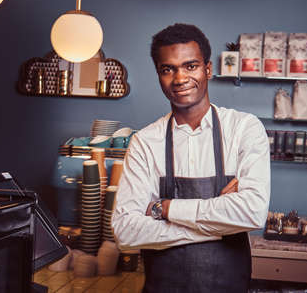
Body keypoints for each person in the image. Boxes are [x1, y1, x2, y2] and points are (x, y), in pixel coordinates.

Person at [112, 23, 270, 293]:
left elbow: (252, 213)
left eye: (190, 66)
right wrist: (219, 225)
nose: (180, 78)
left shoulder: (244, 129)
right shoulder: (146, 142)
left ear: (207, 69)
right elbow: (126, 232)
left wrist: (165, 208)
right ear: (158, 75)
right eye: (167, 69)